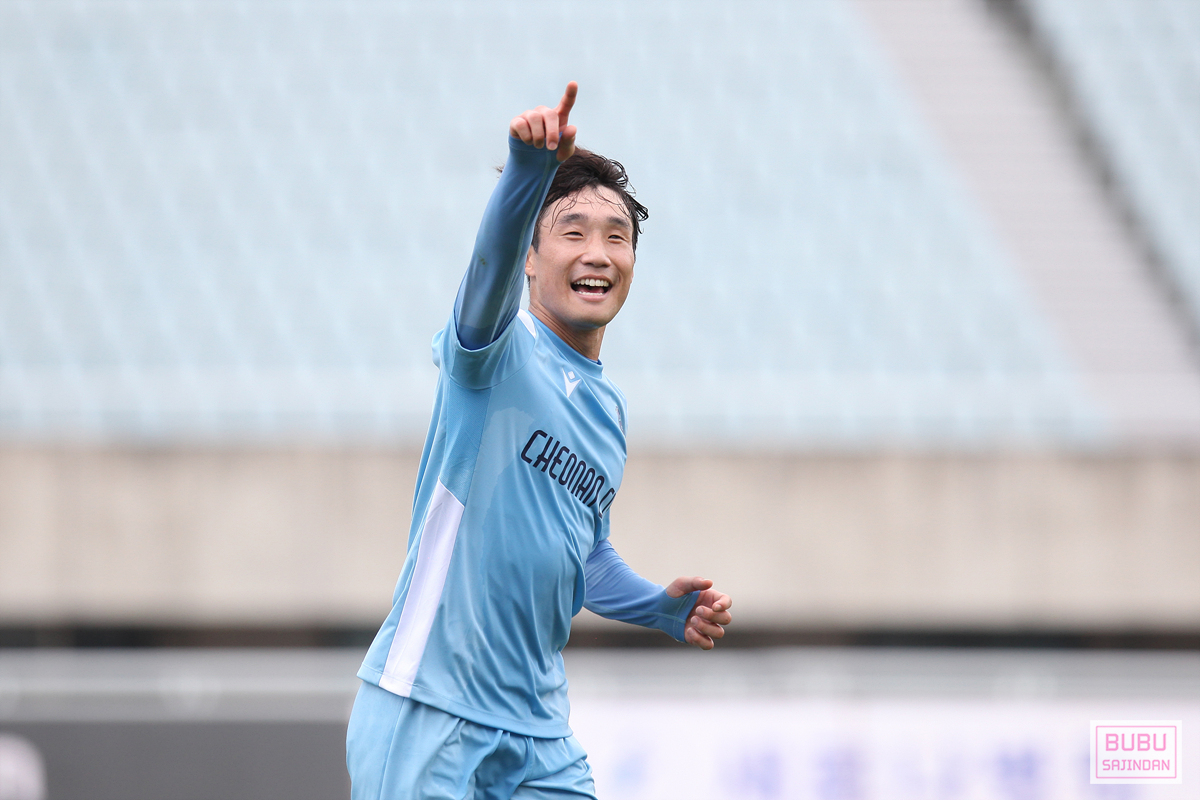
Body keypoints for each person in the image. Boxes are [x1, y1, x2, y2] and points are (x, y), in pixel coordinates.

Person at [346, 81, 732, 799]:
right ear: (531, 255)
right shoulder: (495, 350)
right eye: (573, 232)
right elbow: (486, 272)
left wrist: (656, 606)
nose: (598, 253)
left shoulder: (609, 411)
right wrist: (527, 174)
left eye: (617, 236)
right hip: (430, 706)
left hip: (539, 733)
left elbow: (583, 555)